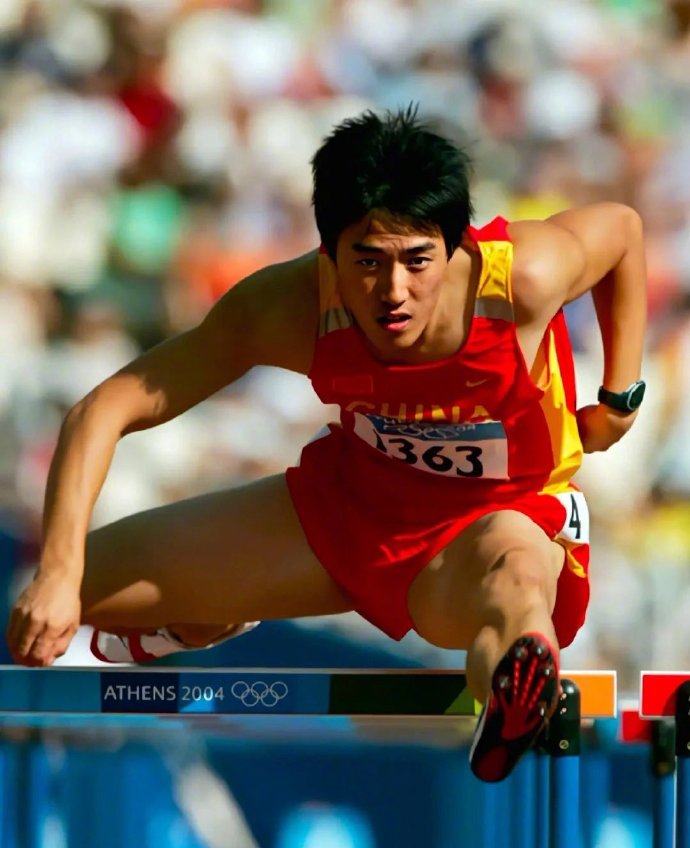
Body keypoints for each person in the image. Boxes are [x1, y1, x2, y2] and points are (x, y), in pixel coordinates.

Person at [6, 107, 647, 782]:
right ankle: (198, 622)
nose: (393, 293)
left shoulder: (523, 279)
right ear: (327, 254)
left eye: (417, 261)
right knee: (65, 591)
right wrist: (57, 574)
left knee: (517, 585)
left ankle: (518, 689)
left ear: (456, 245)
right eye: (366, 262)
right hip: (344, 512)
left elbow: (623, 232)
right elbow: (103, 409)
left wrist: (619, 399)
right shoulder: (288, 308)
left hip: (490, 524)